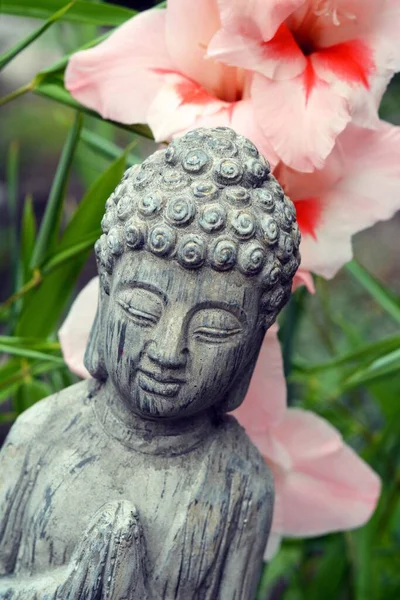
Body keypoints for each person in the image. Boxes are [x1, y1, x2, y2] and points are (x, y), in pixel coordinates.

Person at [0, 127, 300, 599]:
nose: (167, 350)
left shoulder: (241, 484)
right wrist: (78, 585)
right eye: (142, 310)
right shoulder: (42, 432)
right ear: (104, 300)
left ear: (252, 347)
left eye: (213, 330)